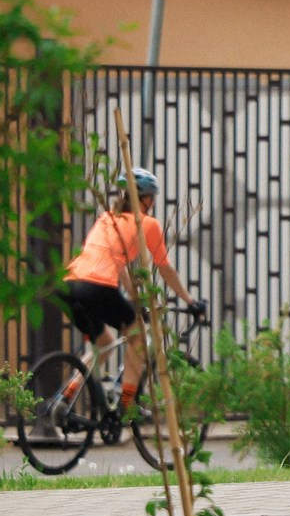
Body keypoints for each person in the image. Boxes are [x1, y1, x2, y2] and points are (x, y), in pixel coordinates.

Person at [58, 168, 201, 420]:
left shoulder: (108, 218)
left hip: (69, 286)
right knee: (138, 338)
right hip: (98, 287)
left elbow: (118, 263)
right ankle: (127, 406)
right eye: (152, 198)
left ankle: (65, 399)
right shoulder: (147, 224)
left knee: (104, 345)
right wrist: (190, 301)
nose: (152, 203)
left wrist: (134, 299)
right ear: (146, 199)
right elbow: (165, 268)